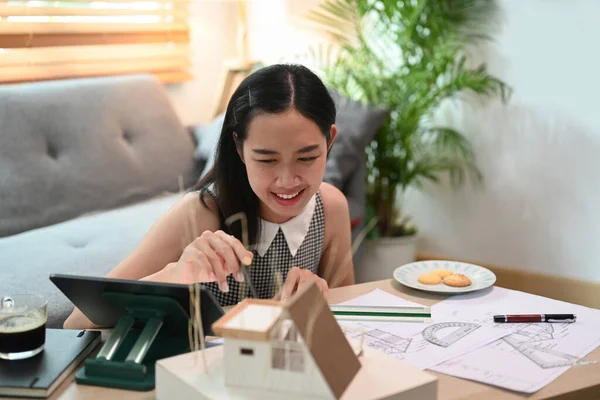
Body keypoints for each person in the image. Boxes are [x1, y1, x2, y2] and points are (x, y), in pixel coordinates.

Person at [64, 63, 355, 329]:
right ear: (239, 148)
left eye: (307, 158)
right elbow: (76, 322)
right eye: (267, 160)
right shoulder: (200, 212)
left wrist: (315, 300)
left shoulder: (330, 208)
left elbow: (351, 313)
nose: (287, 180)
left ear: (329, 141)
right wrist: (173, 277)